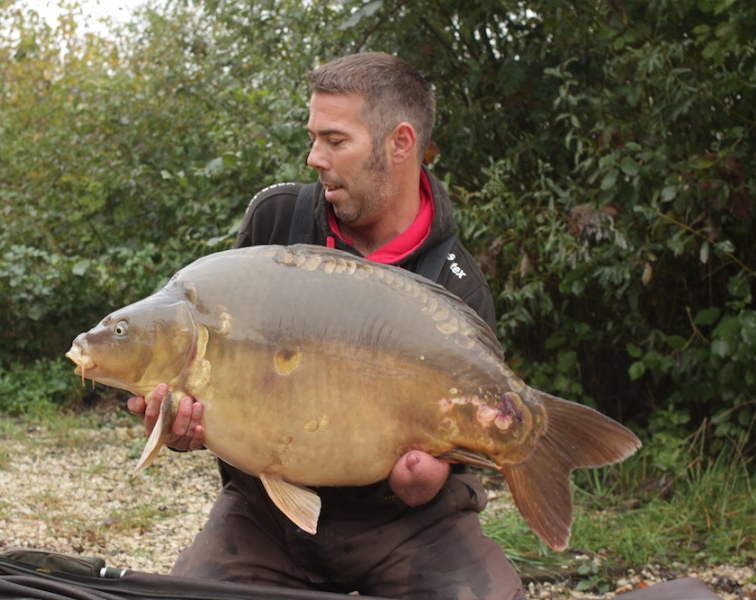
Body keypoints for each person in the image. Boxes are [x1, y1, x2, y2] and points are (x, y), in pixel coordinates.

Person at [128, 52, 527, 600]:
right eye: (313, 137)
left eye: (335, 141)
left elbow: (464, 439)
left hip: (404, 528)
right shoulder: (276, 223)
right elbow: (217, 384)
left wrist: (437, 474)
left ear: (400, 143)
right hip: (265, 520)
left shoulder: (456, 283)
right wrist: (181, 429)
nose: (314, 157)